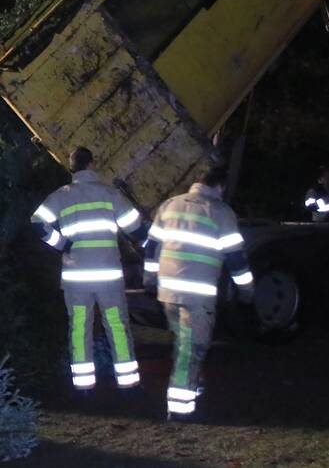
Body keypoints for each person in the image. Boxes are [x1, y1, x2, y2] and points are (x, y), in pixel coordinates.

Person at [143, 164, 255, 421]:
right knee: (191, 349)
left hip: (168, 292)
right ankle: (180, 409)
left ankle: (191, 387)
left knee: (183, 344)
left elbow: (152, 248)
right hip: (197, 297)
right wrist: (247, 291)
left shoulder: (170, 205)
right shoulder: (221, 212)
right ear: (220, 187)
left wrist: (149, 279)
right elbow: (236, 259)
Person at [30, 146, 143, 393]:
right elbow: (135, 229)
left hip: (76, 280)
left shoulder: (61, 195)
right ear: (92, 164)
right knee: (116, 325)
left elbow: (37, 224)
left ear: (72, 169)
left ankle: (83, 386)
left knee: (80, 328)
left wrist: (61, 244)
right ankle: (128, 382)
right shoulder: (109, 193)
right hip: (108, 279)